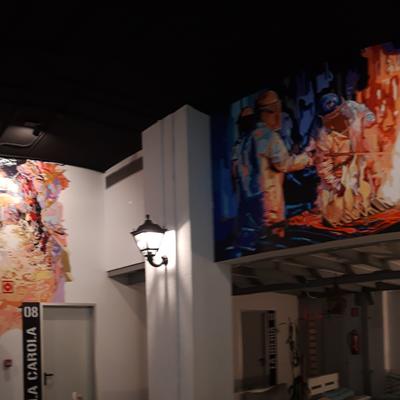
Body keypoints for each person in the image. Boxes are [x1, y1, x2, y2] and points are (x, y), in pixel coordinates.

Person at [314, 93, 392, 227]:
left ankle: (364, 207)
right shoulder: (325, 137)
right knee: (338, 212)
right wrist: (337, 185)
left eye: (340, 114)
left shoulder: (352, 108)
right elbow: (323, 167)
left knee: (364, 189)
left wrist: (368, 119)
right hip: (339, 174)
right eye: (334, 118)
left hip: (357, 161)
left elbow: (367, 114)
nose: (340, 120)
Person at [252, 90, 313, 238]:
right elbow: (284, 164)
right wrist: (308, 158)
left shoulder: (251, 136)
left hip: (255, 200)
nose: (278, 117)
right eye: (275, 112)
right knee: (274, 237)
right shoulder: (269, 136)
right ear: (266, 112)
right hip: (270, 201)